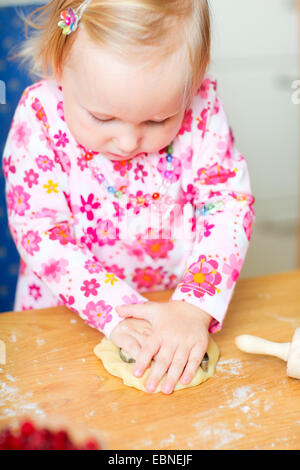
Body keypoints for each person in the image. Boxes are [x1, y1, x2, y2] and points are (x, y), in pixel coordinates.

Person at [2, 0, 255, 394]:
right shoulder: (39, 117)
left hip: (174, 308)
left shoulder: (201, 109)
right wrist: (116, 312)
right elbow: (39, 229)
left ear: (196, 79)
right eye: (103, 118)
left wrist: (194, 305)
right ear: (59, 63)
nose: (127, 141)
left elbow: (227, 203)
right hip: (59, 318)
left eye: (158, 120)